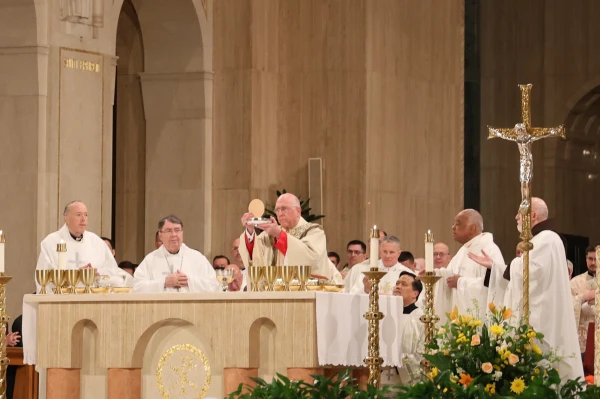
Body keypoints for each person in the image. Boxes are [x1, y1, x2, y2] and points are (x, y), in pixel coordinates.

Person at [472, 198, 583, 382]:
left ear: (532, 216)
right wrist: (496, 267)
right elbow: (524, 270)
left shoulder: (547, 238)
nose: (516, 217)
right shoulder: (539, 239)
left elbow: (532, 273)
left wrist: (507, 266)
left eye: (519, 213)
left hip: (542, 318)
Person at [35, 200, 131, 292]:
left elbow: (112, 270)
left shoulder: (97, 242)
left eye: (86, 215)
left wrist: (96, 273)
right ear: (66, 218)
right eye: (78, 215)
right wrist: (76, 275)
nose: (83, 219)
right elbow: (45, 277)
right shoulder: (51, 242)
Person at [432, 209, 505, 323]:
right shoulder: (463, 250)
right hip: (459, 321)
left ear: (472, 228)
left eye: (458, 223)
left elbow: (494, 285)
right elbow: (449, 275)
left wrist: (460, 282)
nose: (453, 227)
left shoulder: (489, 250)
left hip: (479, 322)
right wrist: (432, 275)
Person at [238, 193, 332, 279]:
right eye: (277, 210)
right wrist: (250, 230)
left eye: (284, 209)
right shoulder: (270, 233)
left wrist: (279, 235)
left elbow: (310, 257)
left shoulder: (314, 232)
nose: (280, 213)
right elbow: (255, 254)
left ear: (298, 211)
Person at [133, 215, 220, 293]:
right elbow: (137, 287)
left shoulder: (197, 257)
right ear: (160, 235)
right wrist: (164, 282)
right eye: (168, 231)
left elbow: (214, 284)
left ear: (182, 233)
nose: (174, 234)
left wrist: (189, 281)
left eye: (177, 230)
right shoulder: (151, 260)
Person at [345, 236, 413, 295]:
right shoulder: (369, 270)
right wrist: (365, 290)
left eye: (391, 252)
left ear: (399, 253)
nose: (387, 256)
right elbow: (353, 294)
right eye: (385, 251)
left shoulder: (407, 274)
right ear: (380, 251)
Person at [570, 245, 597, 360]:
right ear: (586, 259)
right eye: (590, 259)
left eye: (596, 259)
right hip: (582, 340)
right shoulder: (575, 282)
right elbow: (567, 306)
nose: (593, 262)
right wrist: (583, 297)